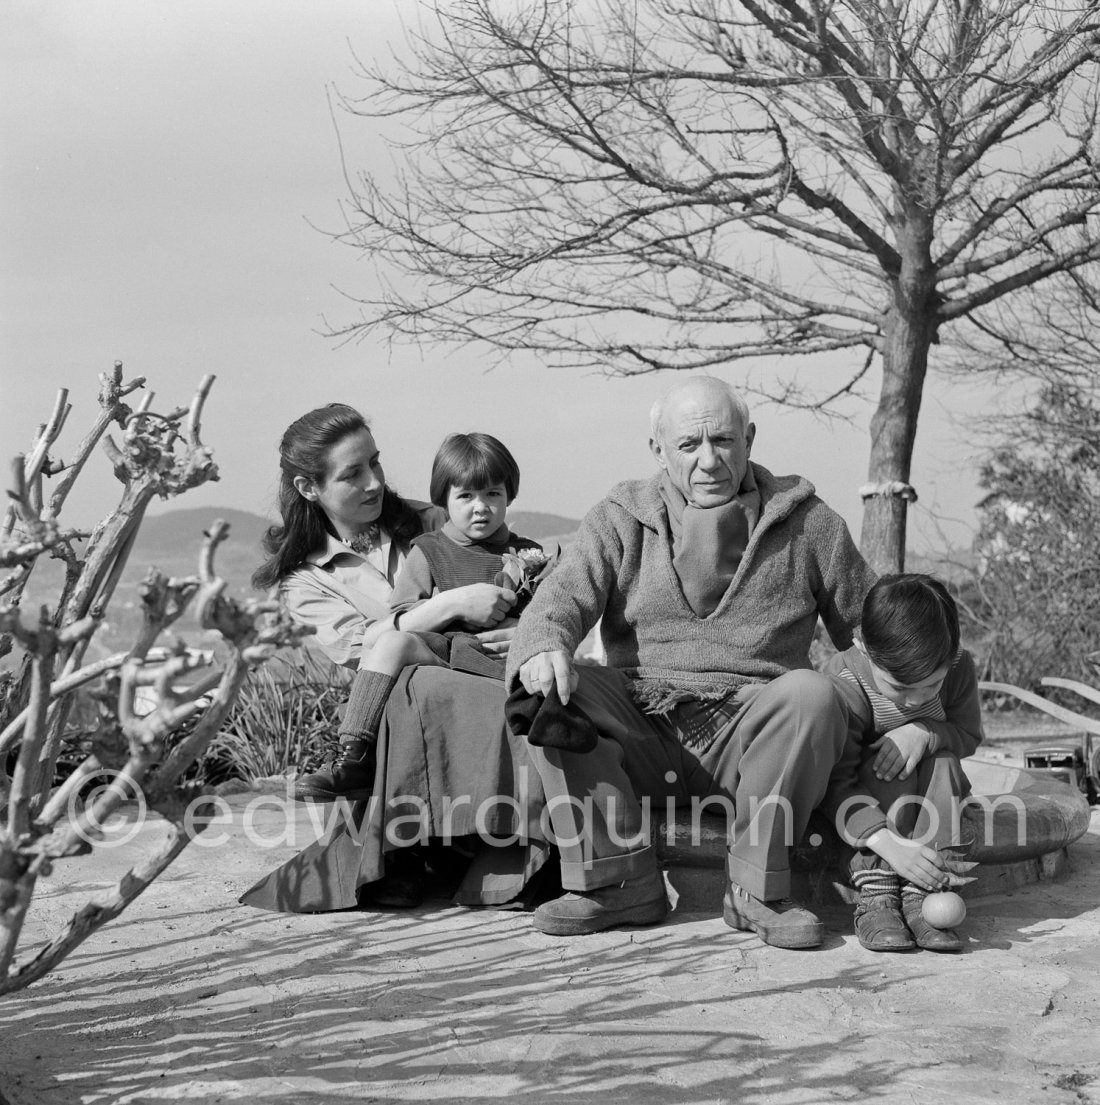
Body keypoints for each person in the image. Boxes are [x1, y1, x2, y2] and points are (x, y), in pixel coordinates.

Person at [503, 375, 886, 948]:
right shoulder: (620, 516)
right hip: (642, 720)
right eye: (689, 446)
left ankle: (757, 890)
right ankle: (619, 882)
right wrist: (542, 649)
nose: (709, 460)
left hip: (754, 736)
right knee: (548, 690)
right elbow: (559, 599)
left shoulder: (809, 523)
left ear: (749, 439)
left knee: (813, 693)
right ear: (658, 450)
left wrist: (925, 712)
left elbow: (872, 629)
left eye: (724, 441)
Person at [243, 404, 543, 911]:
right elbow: (364, 650)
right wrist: (448, 604)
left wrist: (525, 633)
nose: (374, 482)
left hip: (479, 681)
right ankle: (416, 843)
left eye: (376, 463)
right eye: (352, 473)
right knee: (413, 684)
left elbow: (512, 567)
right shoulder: (304, 579)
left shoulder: (437, 519)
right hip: (389, 708)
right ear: (308, 488)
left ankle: (484, 842)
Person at [292, 430, 547, 803]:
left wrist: (527, 631)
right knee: (393, 641)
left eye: (493, 494)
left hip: (503, 660)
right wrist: (448, 606)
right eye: (465, 497)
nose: (480, 508)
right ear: (444, 500)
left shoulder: (529, 555)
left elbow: (551, 613)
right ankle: (353, 754)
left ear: (510, 495)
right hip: (444, 651)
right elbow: (401, 614)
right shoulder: (429, 550)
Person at [823, 573, 983, 953]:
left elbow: (967, 734)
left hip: (930, 798)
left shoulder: (959, 667)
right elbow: (835, 781)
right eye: (899, 687)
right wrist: (889, 845)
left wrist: (926, 732)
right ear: (864, 648)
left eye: (931, 686)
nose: (914, 700)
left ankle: (924, 889)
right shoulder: (845, 681)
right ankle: (877, 892)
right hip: (866, 808)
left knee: (943, 761)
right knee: (885, 761)